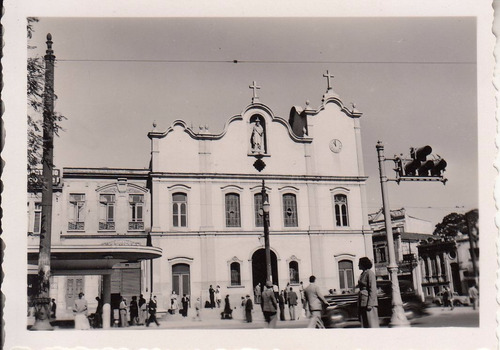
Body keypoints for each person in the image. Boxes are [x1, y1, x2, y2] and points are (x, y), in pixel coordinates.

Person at [357, 257, 379, 328]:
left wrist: (370, 304)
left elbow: (372, 289)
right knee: (365, 324)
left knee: (371, 324)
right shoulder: (363, 273)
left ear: (363, 264)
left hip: (369, 304)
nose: (358, 265)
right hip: (363, 302)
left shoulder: (370, 273)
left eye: (359, 263)